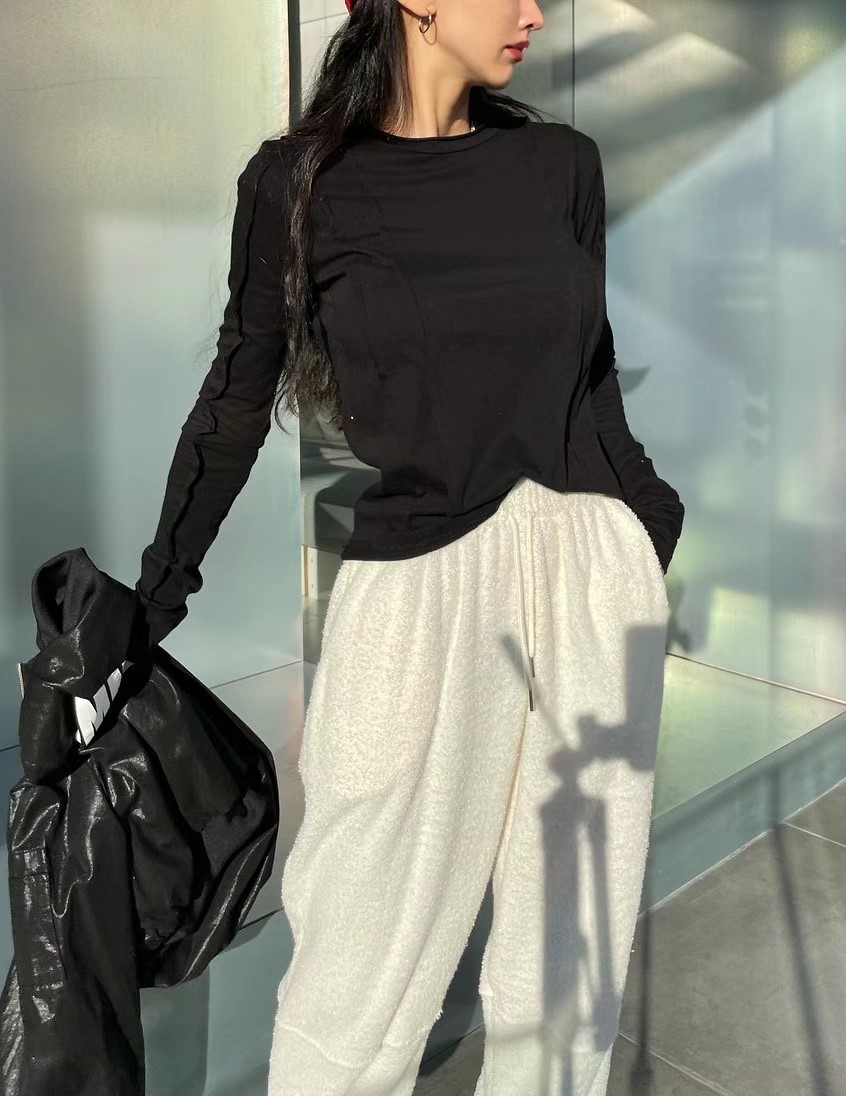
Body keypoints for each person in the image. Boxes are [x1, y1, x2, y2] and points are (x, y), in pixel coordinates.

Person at [127, 1, 684, 1093]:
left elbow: (591, 380)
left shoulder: (561, 167)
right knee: (359, 963)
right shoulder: (300, 184)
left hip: (588, 582)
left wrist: (646, 529)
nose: (534, 13)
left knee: (566, 965)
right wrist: (153, 601)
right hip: (420, 595)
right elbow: (234, 401)